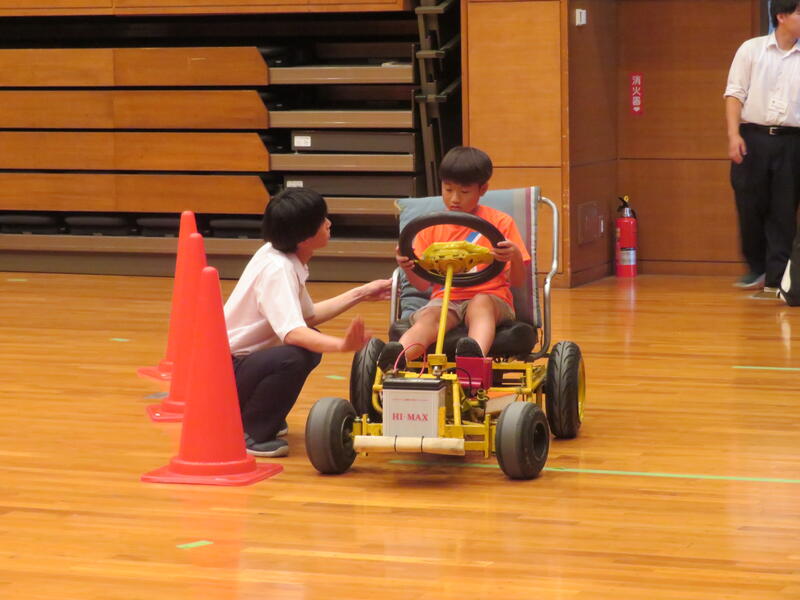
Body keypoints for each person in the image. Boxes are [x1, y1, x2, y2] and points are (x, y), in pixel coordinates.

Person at [224, 188, 391, 458]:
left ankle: (261, 414)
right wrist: (341, 345)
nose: (329, 223)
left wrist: (361, 293)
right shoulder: (277, 270)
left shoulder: (281, 256)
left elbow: (307, 316)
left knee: (308, 345)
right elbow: (293, 333)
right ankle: (250, 432)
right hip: (226, 370)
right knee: (296, 355)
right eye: (322, 220)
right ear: (304, 237)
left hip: (236, 364)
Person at [378, 146, 530, 371]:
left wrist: (515, 255)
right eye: (448, 190)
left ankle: (473, 359)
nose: (454, 199)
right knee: (431, 315)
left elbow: (517, 281)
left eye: (464, 192)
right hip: (445, 298)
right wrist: (407, 266)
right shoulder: (429, 226)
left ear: (483, 189)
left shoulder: (500, 222)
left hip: (492, 297)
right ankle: (396, 360)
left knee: (481, 304)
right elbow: (422, 284)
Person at [724, 0, 800, 294]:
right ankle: (756, 265)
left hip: (792, 141)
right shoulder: (751, 50)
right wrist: (733, 135)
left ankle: (776, 280)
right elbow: (734, 94)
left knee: (784, 209)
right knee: (749, 205)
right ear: (781, 16)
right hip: (752, 136)